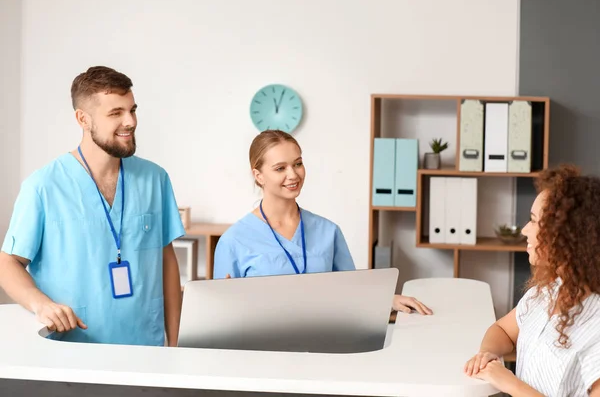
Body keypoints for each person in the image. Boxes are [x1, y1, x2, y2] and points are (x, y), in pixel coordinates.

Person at [0, 66, 185, 346]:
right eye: (115, 113)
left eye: (132, 110)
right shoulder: (43, 187)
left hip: (148, 348)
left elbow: (167, 262)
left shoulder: (155, 179)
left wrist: (174, 344)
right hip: (74, 350)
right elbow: (8, 264)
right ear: (83, 119)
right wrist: (41, 304)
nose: (130, 121)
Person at [213, 130, 432, 315]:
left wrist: (388, 300)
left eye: (297, 164)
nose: (293, 175)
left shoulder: (328, 231)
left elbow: (349, 290)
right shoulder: (234, 242)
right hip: (262, 354)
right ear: (258, 175)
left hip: (324, 349)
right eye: (280, 168)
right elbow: (221, 314)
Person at [464, 164, 600, 396]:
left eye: (536, 221)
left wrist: (509, 382)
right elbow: (503, 330)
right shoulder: (548, 291)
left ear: (570, 236)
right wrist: (487, 354)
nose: (525, 230)